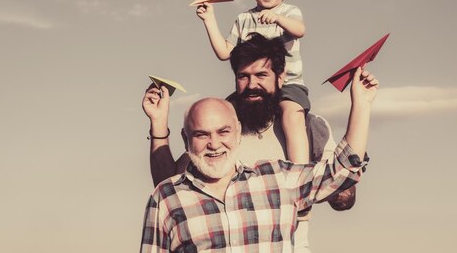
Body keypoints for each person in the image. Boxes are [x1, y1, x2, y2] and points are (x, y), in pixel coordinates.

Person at [145, 33, 358, 252]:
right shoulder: (222, 134)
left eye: (261, 75)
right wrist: (158, 122)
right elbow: (171, 190)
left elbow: (343, 196)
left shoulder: (308, 127)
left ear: (281, 76)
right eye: (243, 76)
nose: (251, 84)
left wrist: (301, 190)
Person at [196, 0, 310, 164]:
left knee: (292, 115)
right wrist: (209, 20)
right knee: (222, 113)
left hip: (288, 85)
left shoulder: (289, 12)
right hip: (252, 86)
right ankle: (220, 166)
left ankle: (300, 171)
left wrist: (277, 18)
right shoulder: (244, 19)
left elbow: (300, 30)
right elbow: (224, 52)